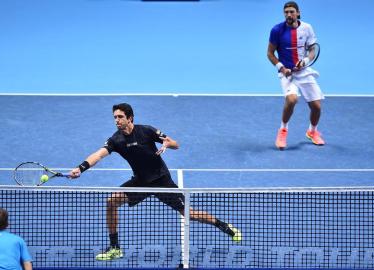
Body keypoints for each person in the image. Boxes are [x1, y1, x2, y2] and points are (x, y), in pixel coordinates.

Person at [69, 103, 241, 261]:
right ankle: (115, 248)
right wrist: (81, 168)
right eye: (115, 117)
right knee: (111, 201)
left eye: (120, 117)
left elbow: (176, 144)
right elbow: (98, 154)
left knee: (189, 213)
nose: (116, 120)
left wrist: (167, 143)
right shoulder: (116, 140)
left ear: (130, 118)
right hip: (140, 183)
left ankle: (224, 226)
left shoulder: (147, 131)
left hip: (161, 180)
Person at [267, 1, 325, 150]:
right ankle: (283, 130)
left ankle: (312, 132)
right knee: (292, 100)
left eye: (292, 11)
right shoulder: (277, 30)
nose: (289, 14)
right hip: (288, 73)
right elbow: (270, 53)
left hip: (304, 71)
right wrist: (281, 68)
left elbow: (312, 50)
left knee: (317, 107)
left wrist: (305, 61)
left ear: (298, 13)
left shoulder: (307, 28)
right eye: (286, 12)